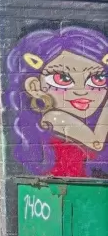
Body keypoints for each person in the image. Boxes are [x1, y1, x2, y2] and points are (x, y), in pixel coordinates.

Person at [6, 26, 108, 177]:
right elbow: (96, 143)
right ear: (35, 87)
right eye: (62, 79)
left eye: (97, 79)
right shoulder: (53, 117)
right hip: (59, 190)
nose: (81, 90)